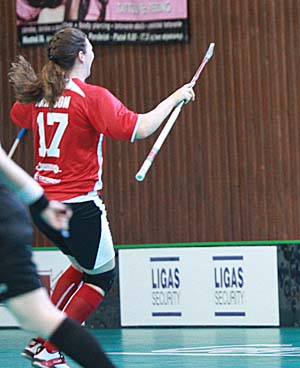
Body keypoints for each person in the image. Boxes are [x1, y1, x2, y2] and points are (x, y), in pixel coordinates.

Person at [9, 27, 195, 367]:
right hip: (78, 206)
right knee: (101, 276)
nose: (94, 53)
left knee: (81, 267)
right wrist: (176, 97)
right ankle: (51, 350)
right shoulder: (91, 98)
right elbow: (139, 127)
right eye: (91, 48)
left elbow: (17, 115)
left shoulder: (40, 95)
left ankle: (41, 339)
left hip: (43, 206)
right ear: (81, 55)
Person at [0, 145, 116, 368]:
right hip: (66, 201)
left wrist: (42, 203)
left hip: (10, 221)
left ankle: (48, 348)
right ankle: (45, 346)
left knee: (39, 315)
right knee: (40, 314)